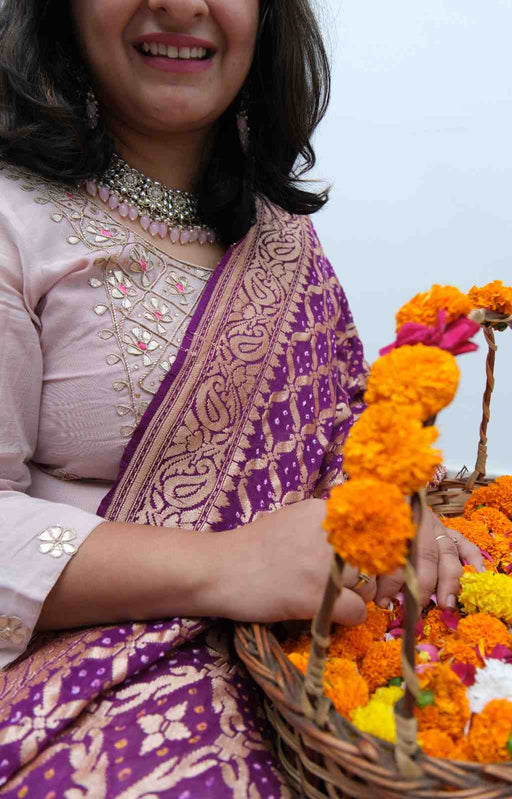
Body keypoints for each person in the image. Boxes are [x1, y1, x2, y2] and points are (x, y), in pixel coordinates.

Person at [0, 0, 483, 795]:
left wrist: (397, 508)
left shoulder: (279, 237)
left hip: (313, 666)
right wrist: (223, 564)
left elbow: (336, 431)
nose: (183, 4)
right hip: (84, 696)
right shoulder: (18, 221)